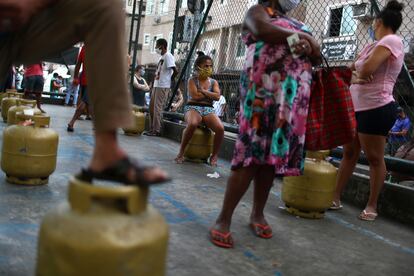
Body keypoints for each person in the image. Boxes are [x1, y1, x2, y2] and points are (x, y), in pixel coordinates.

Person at [0, 0, 168, 185]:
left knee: (103, 6)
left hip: (15, 29)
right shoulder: (82, 53)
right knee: (83, 104)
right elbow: (80, 64)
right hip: (84, 79)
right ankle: (75, 121)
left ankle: (107, 153)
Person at [210, 0, 321, 248]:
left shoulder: (291, 24)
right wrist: (301, 36)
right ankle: (223, 219)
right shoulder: (258, 12)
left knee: (272, 158)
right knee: (250, 155)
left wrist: (309, 46)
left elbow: (312, 54)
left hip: (290, 99)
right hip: (262, 94)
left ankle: (257, 213)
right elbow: (260, 29)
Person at [332, 1, 405, 221]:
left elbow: (367, 68)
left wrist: (360, 72)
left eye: (374, 22)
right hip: (357, 107)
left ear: (379, 21)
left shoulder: (392, 40)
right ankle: (334, 197)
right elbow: (351, 70)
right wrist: (358, 74)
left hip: (377, 107)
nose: (373, 25)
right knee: (349, 153)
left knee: (374, 158)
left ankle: (372, 205)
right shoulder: (371, 46)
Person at [174, 54, 224, 166]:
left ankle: (214, 155)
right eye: (205, 66)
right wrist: (210, 95)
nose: (208, 68)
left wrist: (204, 91)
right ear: (198, 67)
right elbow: (195, 97)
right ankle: (181, 152)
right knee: (193, 123)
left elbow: (217, 97)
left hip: (208, 109)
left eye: (210, 66)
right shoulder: (192, 80)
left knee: (220, 128)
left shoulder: (213, 82)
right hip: (192, 107)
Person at [145, 38, 177, 136]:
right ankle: (152, 128)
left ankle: (156, 130)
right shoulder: (161, 57)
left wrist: (169, 80)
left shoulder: (168, 56)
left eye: (157, 46)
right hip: (157, 85)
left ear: (162, 46)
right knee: (151, 107)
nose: (156, 48)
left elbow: (175, 70)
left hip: (163, 85)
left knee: (157, 108)